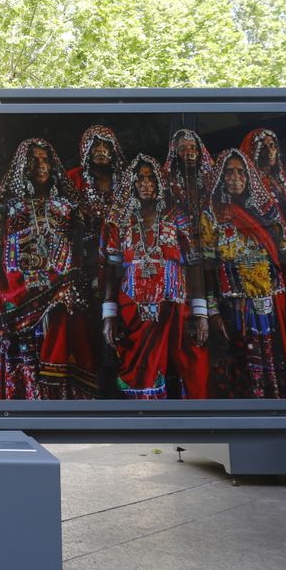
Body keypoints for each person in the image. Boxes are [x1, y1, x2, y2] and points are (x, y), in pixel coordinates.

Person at [0, 138, 91, 399]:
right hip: (17, 298)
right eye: (34, 160)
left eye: (45, 160)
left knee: (63, 348)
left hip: (62, 296)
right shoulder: (8, 208)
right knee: (25, 354)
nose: (41, 165)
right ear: (23, 167)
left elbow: (83, 252)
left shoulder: (69, 208)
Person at [199, 148, 286, 398]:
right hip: (235, 308)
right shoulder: (212, 214)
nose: (235, 177)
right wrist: (213, 311)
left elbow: (285, 253)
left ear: (249, 177)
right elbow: (207, 267)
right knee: (242, 370)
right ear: (220, 177)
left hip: (273, 303)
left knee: (281, 366)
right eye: (229, 172)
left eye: (241, 172)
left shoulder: (268, 211)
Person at [99, 154, 204, 398]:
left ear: (159, 183)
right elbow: (112, 271)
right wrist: (109, 315)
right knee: (137, 371)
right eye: (140, 179)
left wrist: (200, 312)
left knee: (180, 367)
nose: (146, 184)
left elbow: (195, 265)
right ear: (131, 184)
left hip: (174, 309)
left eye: (150, 179)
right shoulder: (118, 221)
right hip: (132, 311)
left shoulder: (177, 216)